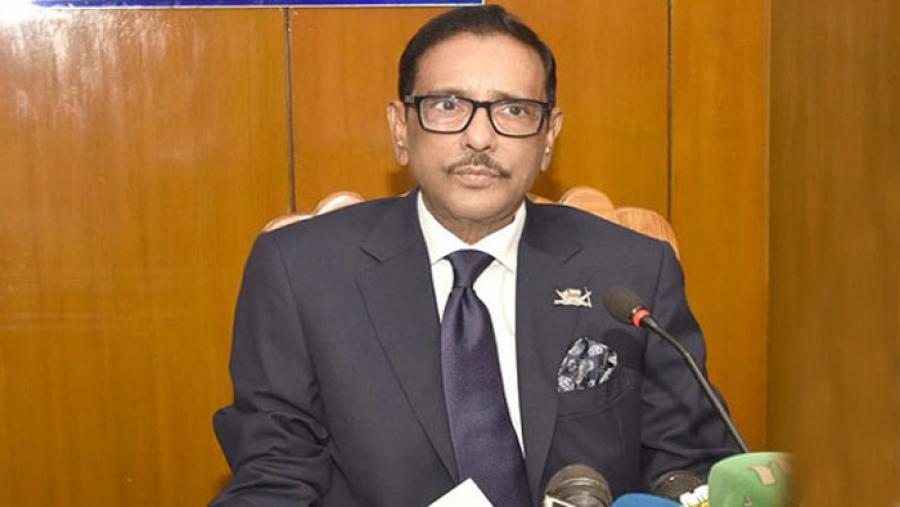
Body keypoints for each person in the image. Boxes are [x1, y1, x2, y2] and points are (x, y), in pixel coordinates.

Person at [212, 5, 737, 506]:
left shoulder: (631, 270)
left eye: (514, 110)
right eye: (448, 105)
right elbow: (276, 474)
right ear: (400, 128)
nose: (480, 138)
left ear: (548, 137)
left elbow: (690, 467)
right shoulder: (302, 272)